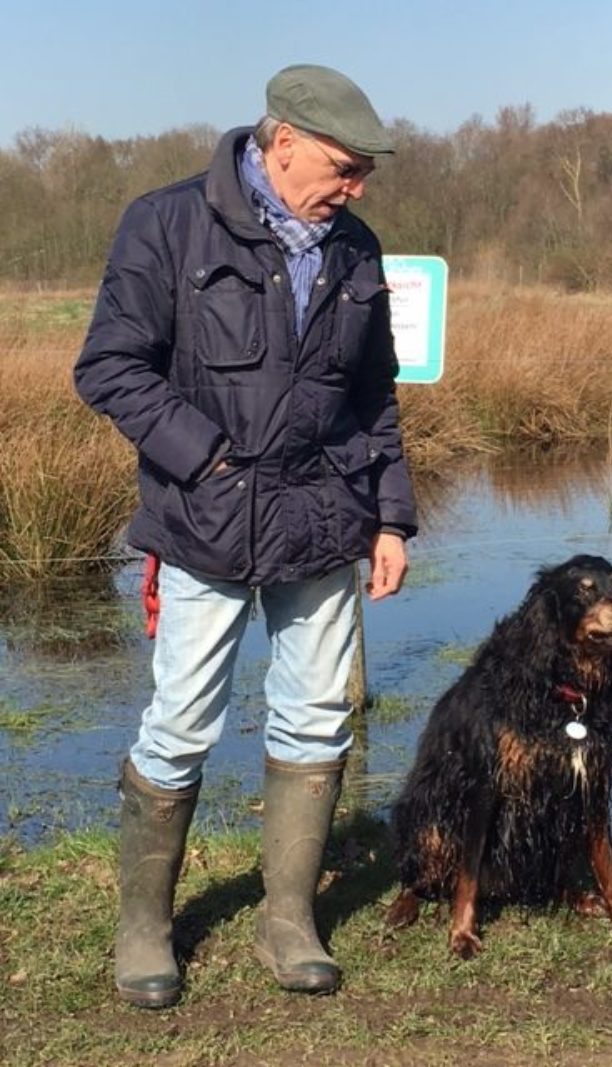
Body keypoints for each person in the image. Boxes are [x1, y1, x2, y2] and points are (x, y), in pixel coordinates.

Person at [74, 64, 417, 1008]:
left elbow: (371, 396)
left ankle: (288, 920)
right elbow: (108, 366)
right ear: (286, 141)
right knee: (181, 722)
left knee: (317, 717)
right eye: (346, 168)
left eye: (366, 177)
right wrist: (209, 457)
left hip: (325, 521)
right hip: (204, 521)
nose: (355, 189)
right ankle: (145, 927)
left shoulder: (357, 250)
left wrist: (390, 515)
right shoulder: (168, 222)